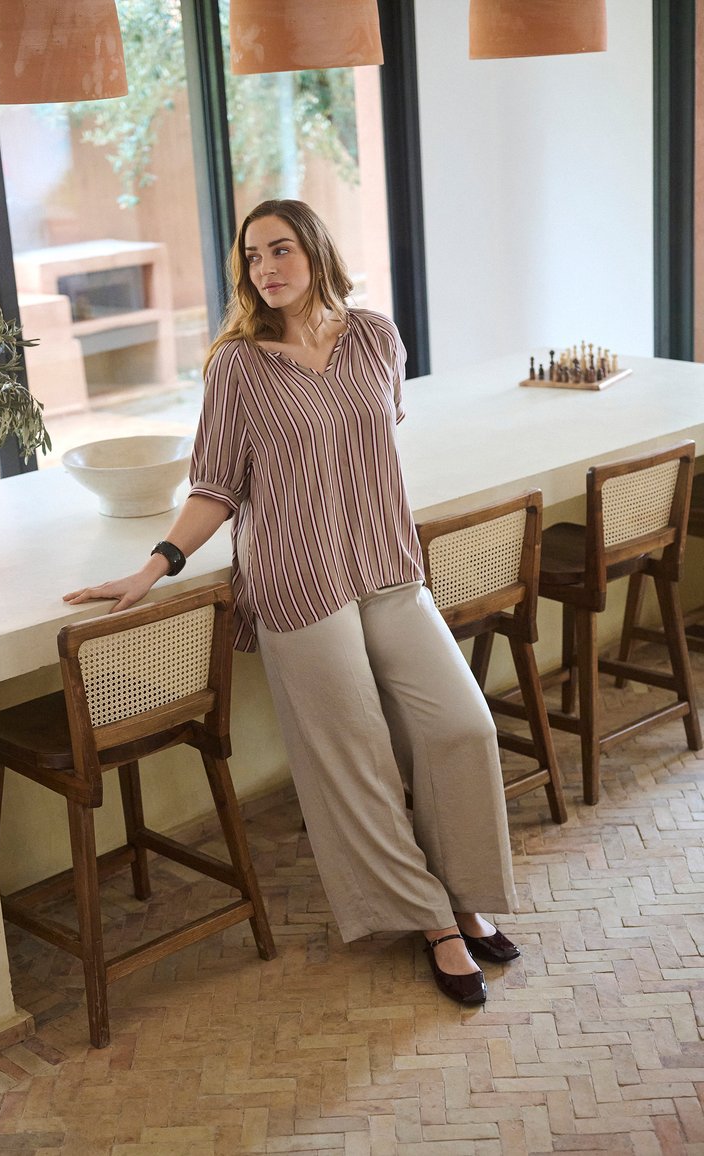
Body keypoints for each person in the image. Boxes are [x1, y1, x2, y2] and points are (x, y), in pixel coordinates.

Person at [64, 199, 519, 1005]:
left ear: (315, 251)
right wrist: (156, 565)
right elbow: (216, 485)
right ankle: (433, 923)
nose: (265, 268)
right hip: (297, 579)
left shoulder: (375, 337)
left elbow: (372, 436)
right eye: (252, 256)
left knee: (461, 725)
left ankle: (464, 893)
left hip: (386, 566)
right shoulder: (238, 367)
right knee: (356, 756)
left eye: (280, 250)